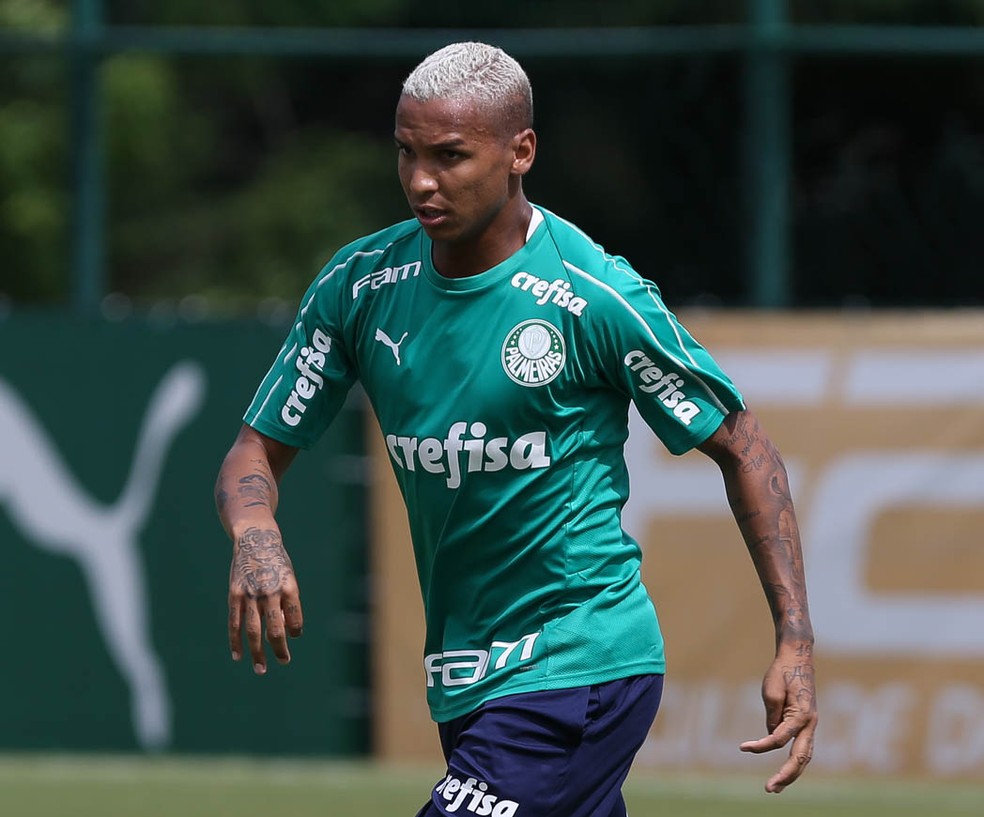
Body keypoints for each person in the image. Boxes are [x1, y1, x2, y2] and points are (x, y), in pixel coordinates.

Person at [215, 41, 818, 816]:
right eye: (406, 153)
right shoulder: (361, 285)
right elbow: (254, 448)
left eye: (451, 156)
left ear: (520, 151)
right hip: (465, 677)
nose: (421, 182)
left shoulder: (594, 296)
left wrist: (794, 641)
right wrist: (255, 530)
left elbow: (744, 446)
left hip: (578, 663)